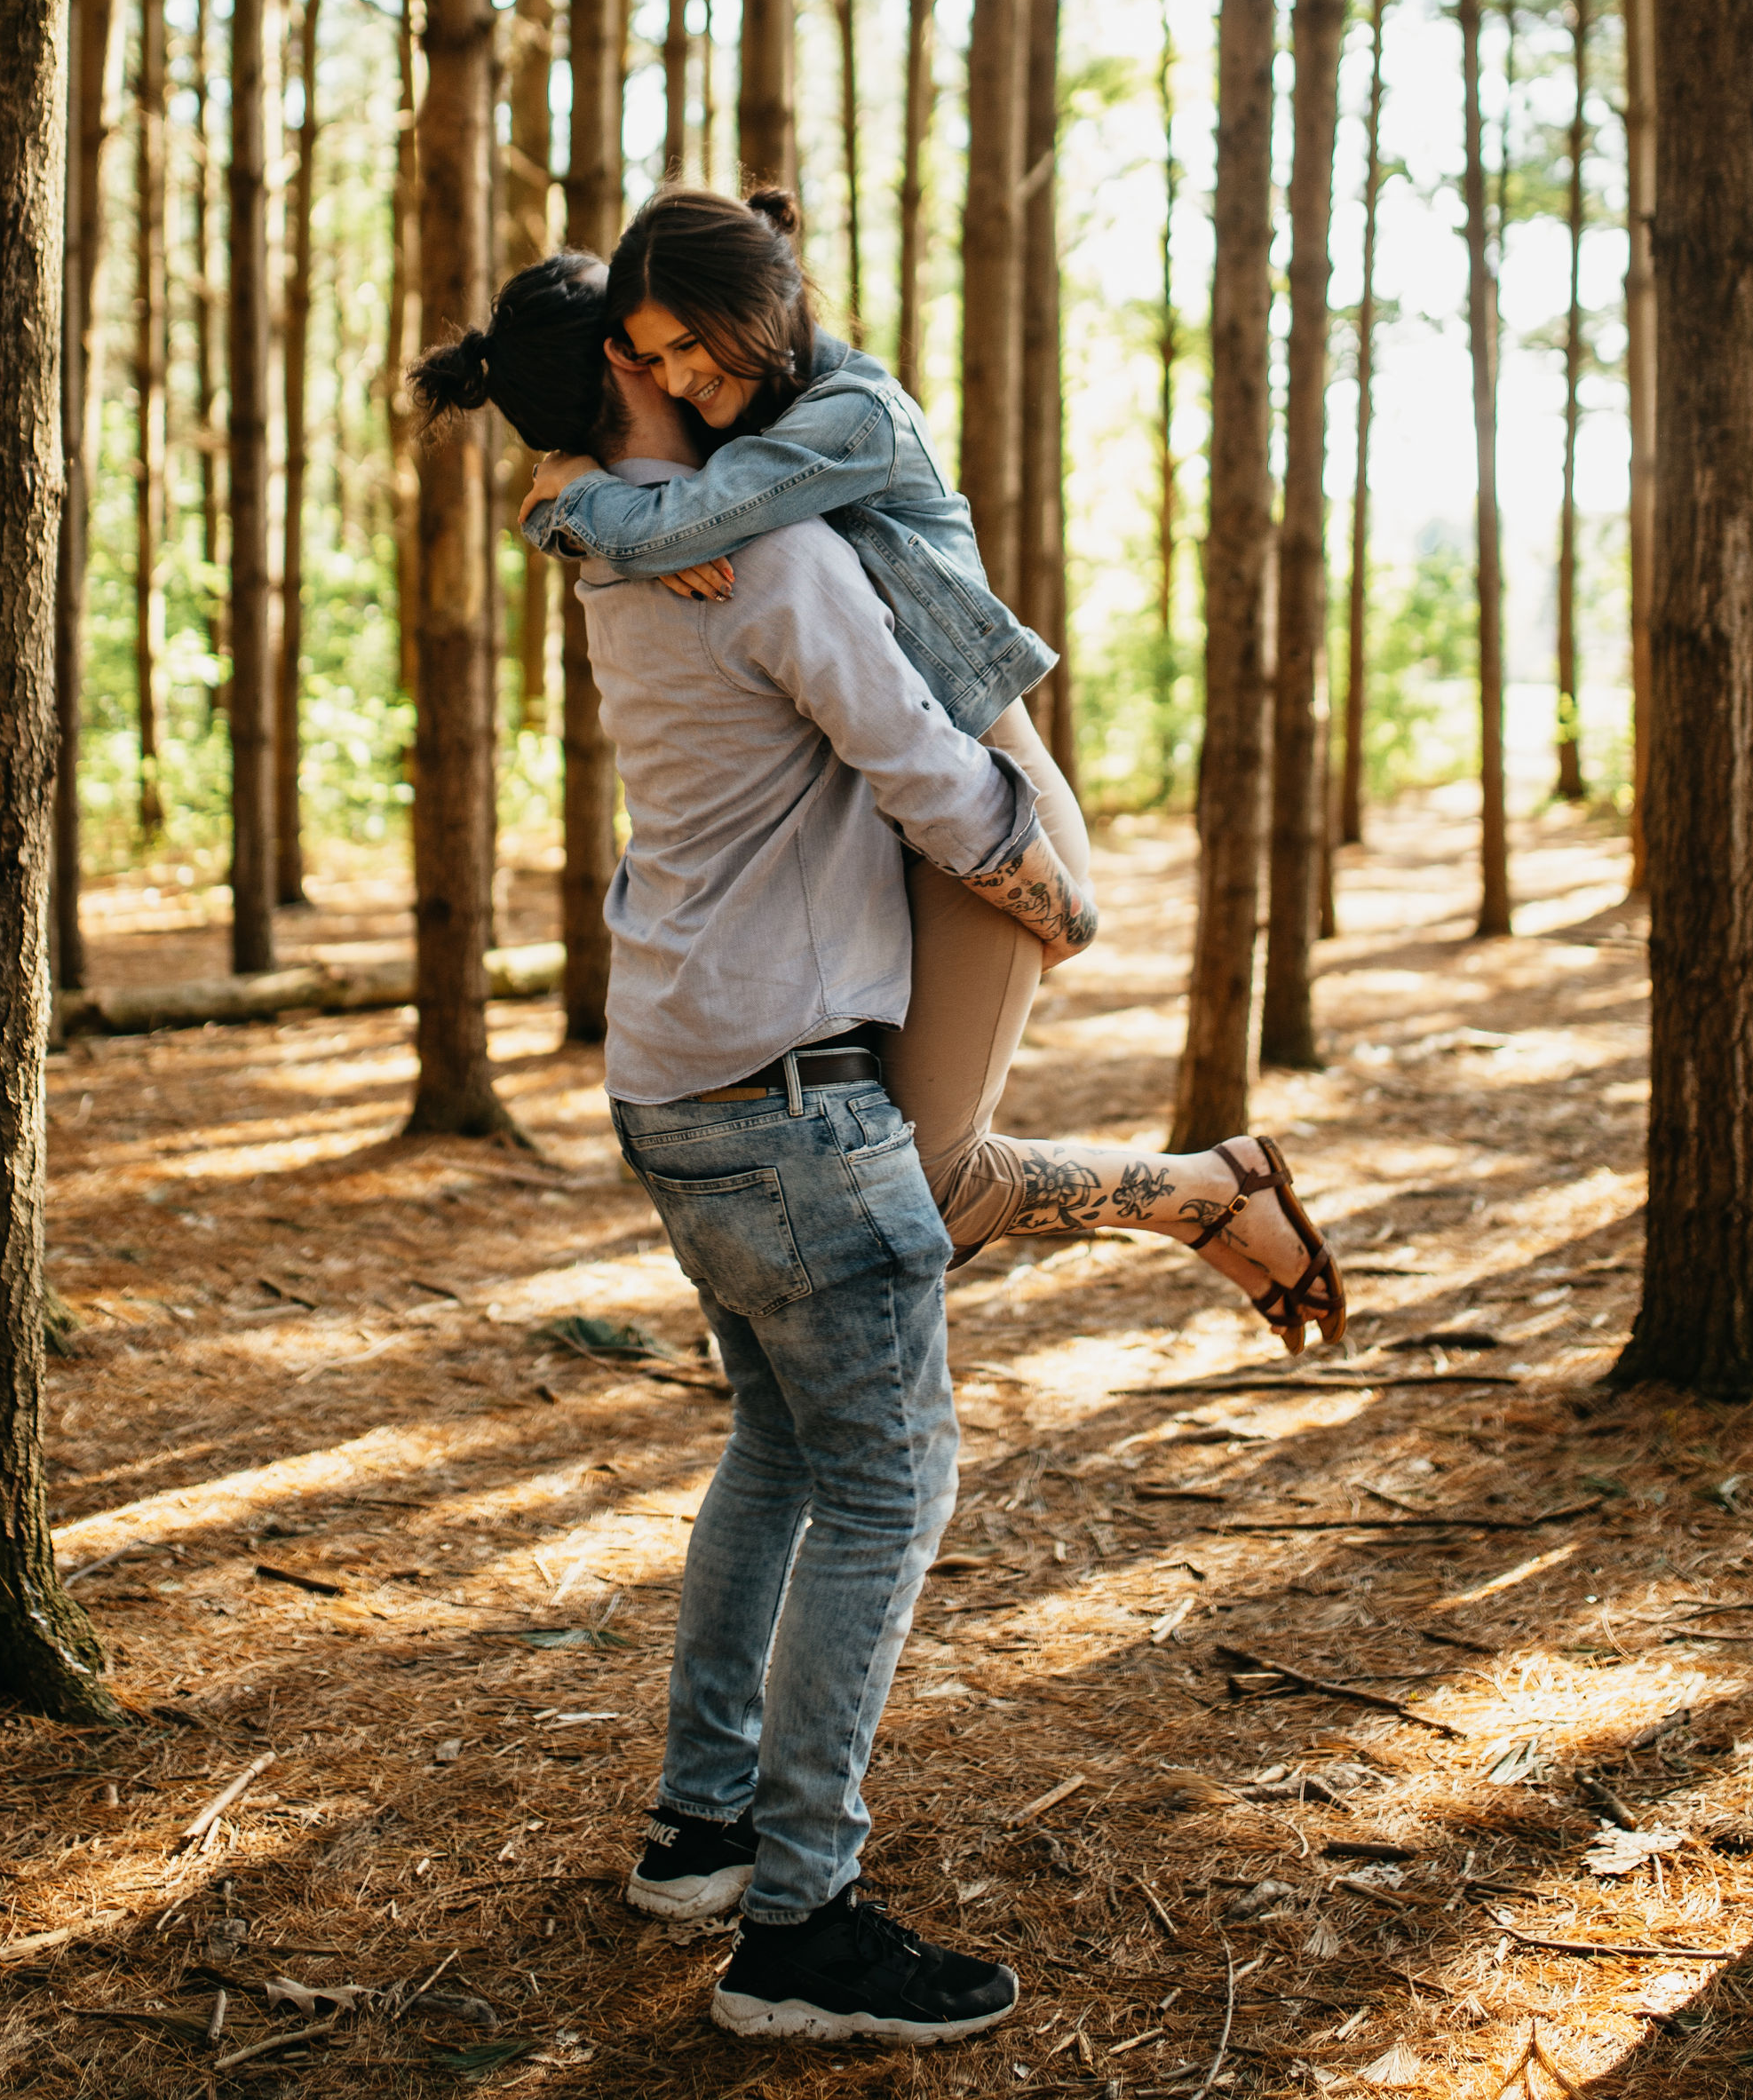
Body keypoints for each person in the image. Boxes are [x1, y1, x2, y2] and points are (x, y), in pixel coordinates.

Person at [421, 272, 1096, 2042]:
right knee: (886, 1481)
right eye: (660, 351)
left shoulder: (623, 560)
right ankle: (800, 1923)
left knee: (777, 1453)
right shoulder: (765, 559)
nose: (693, 368)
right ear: (639, 375)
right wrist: (1045, 883)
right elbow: (920, 768)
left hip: (675, 1083)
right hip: (791, 1103)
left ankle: (701, 1829)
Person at [516, 191, 1341, 1340]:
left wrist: (577, 503)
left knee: (929, 1200)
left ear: (758, 308)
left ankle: (1210, 1195)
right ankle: (1210, 1194)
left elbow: (685, 523)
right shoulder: (738, 414)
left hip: (984, 787)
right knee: (893, 1188)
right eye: (654, 361)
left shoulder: (849, 415)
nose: (680, 380)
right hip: (896, 821)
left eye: (689, 348)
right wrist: (576, 496)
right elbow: (664, 511)